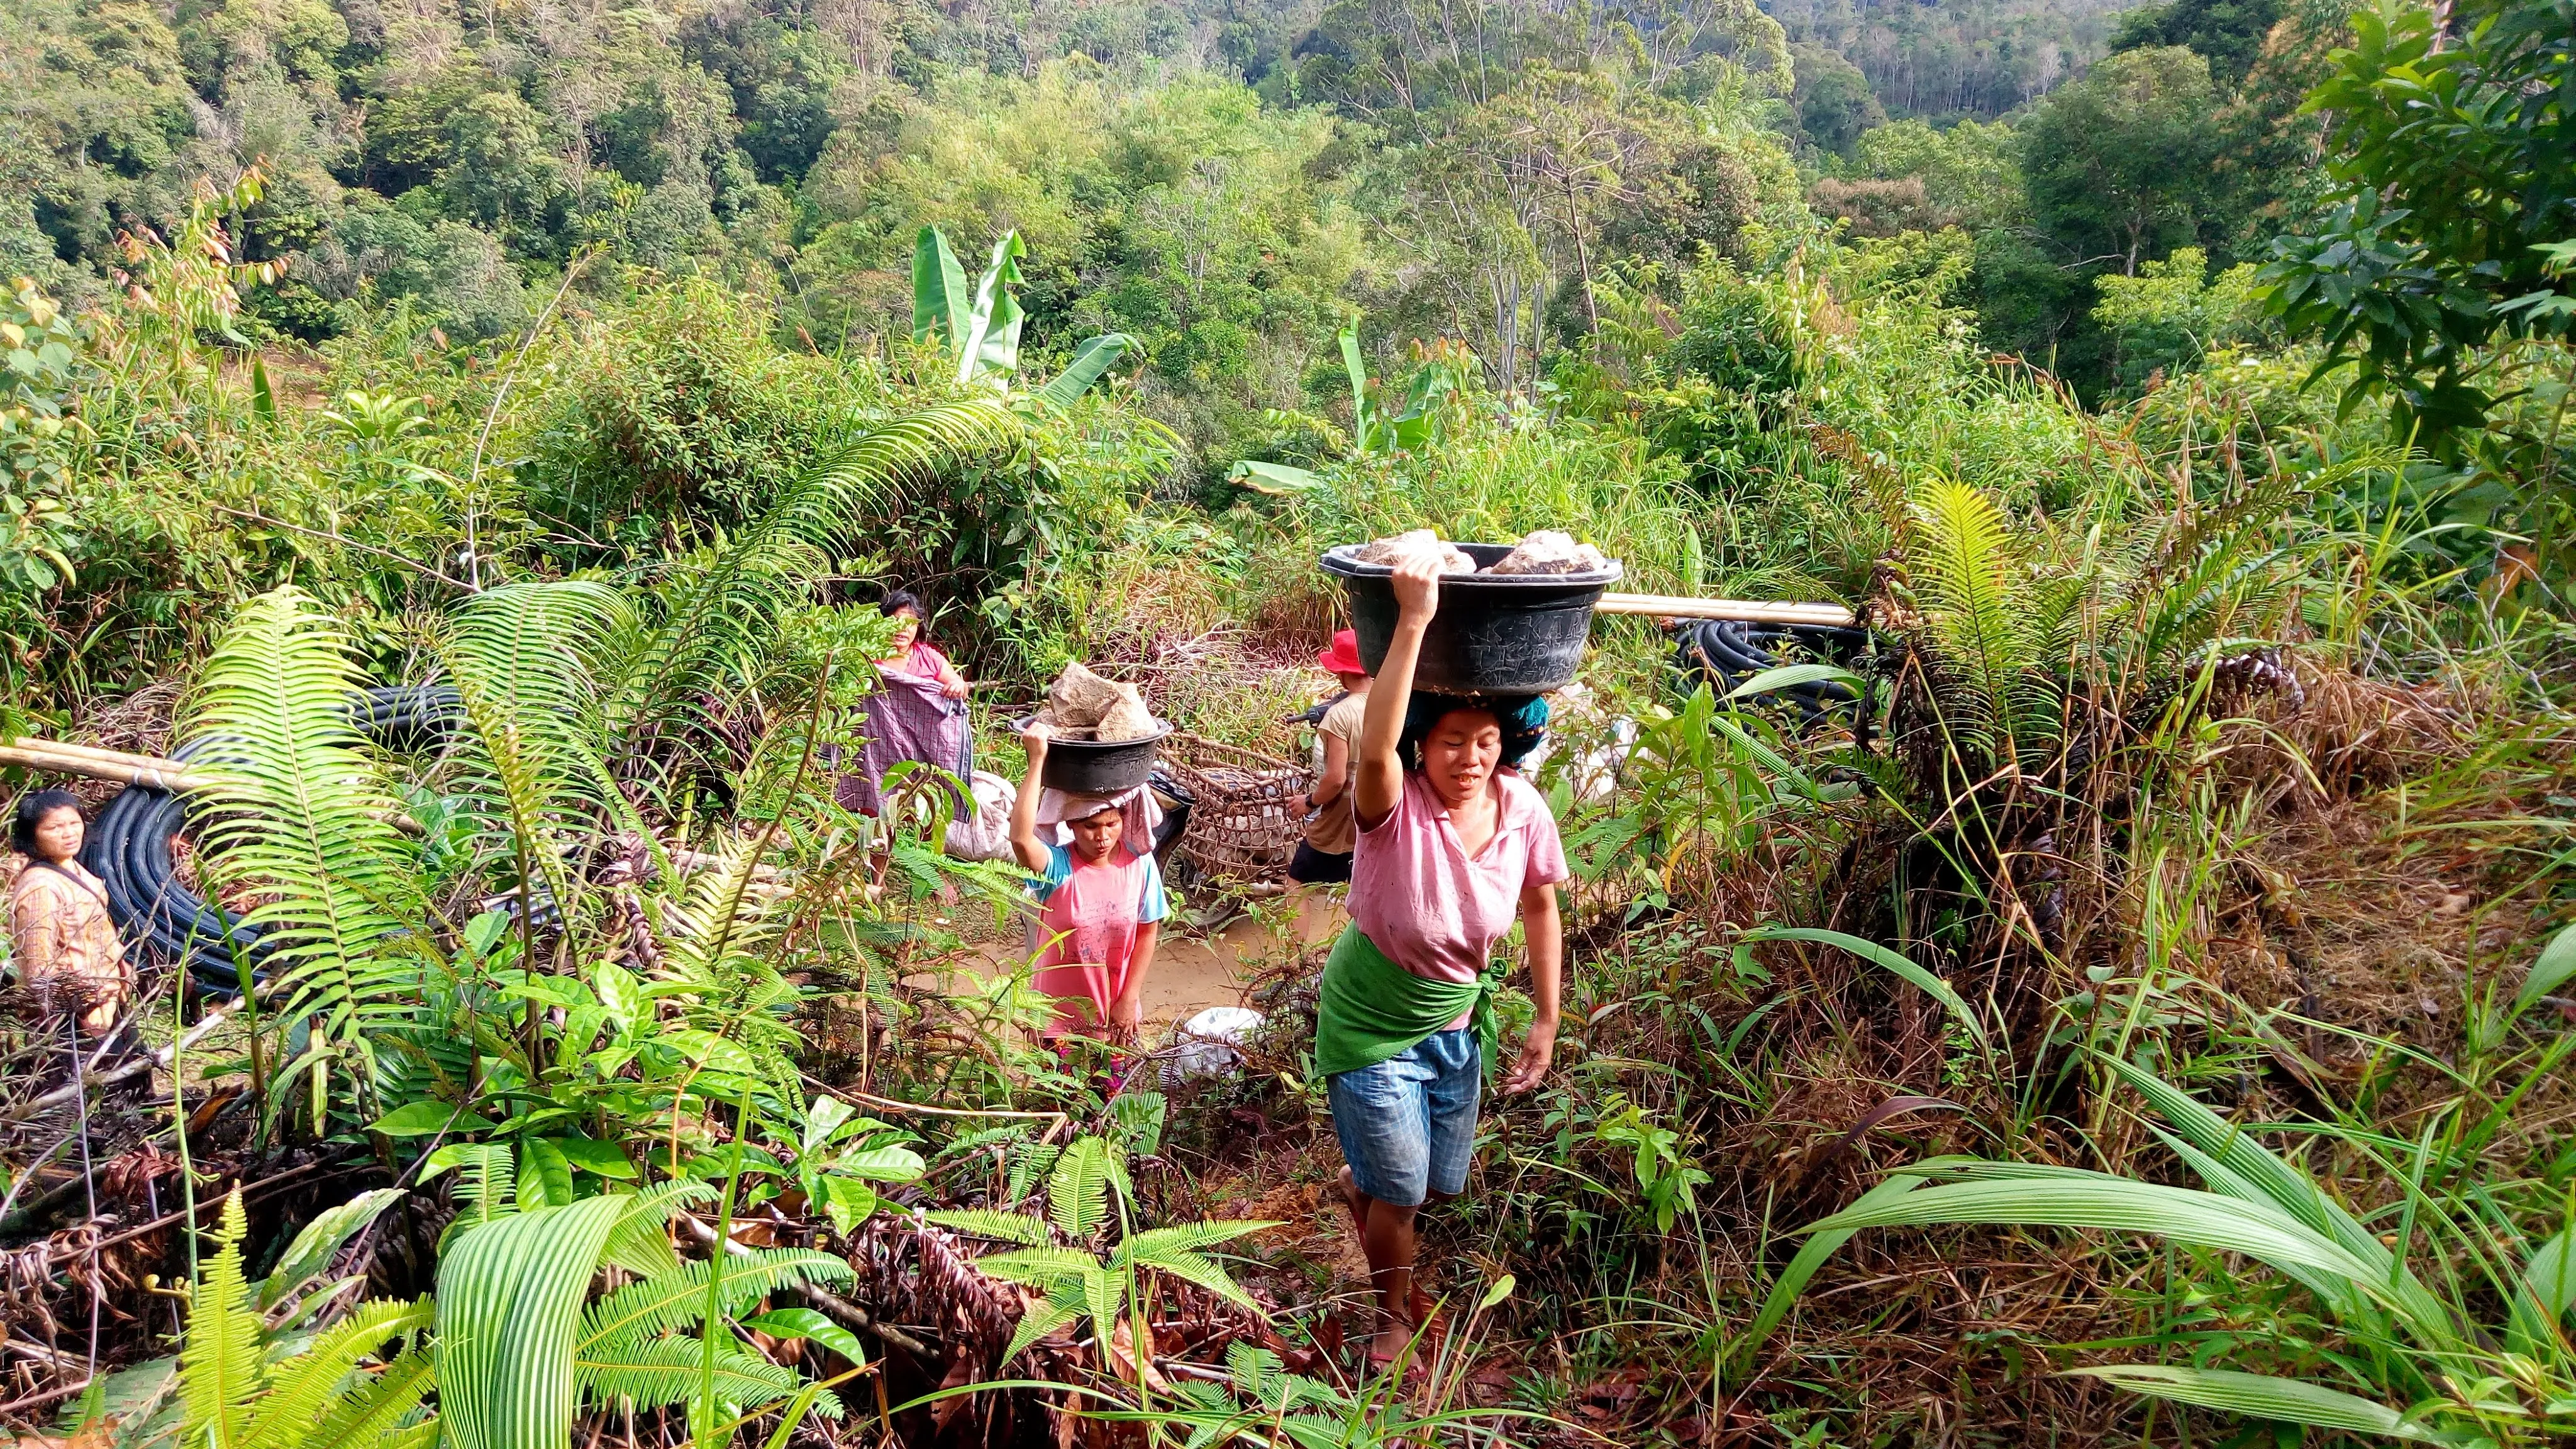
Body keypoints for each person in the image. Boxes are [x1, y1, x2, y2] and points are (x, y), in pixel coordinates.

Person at [1317, 548, 1566, 1370]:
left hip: (1452, 1021)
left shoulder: (1523, 810)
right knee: (1405, 1192)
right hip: (1370, 1022)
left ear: (1506, 749)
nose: (1469, 758)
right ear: (1425, 749)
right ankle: (1390, 1315)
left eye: (1487, 741)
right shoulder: (1394, 804)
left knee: (1438, 1184)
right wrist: (1415, 619)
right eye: (1452, 741)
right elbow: (1376, 745)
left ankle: (1368, 1189)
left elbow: (1538, 906)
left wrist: (1546, 1018)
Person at [1009, 722, 1168, 1043]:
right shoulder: (1058, 868)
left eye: (1112, 823)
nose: (1103, 836)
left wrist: (1129, 999)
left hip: (1115, 1017)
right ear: (1070, 824)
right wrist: (1037, 760)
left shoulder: (1140, 864)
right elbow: (1021, 840)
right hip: (1056, 1022)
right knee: (1055, 1094)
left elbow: (1147, 931)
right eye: (1091, 826)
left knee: (1114, 1093)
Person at [838, 590, 974, 819]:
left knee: (922, 809)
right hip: (877, 750)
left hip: (922, 752)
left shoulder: (929, 658)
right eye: (895, 620)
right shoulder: (867, 658)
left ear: (918, 627)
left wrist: (958, 687)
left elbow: (957, 684)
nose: (902, 628)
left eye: (910, 622)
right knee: (876, 811)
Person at [8, 790, 131, 1036]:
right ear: (33, 835)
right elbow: (38, 969)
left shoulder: (75, 869)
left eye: (75, 823)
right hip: (75, 1017)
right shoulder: (42, 887)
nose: (69, 834)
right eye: (54, 828)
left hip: (107, 1000)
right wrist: (76, 1008)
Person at [1288, 629, 1371, 887]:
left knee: (1295, 882)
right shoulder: (1392, 705)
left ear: (1342, 672)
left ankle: (1298, 930)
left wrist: (1309, 802)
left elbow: (1336, 779)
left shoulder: (1339, 716)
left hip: (1342, 819)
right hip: (1376, 813)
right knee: (1358, 884)